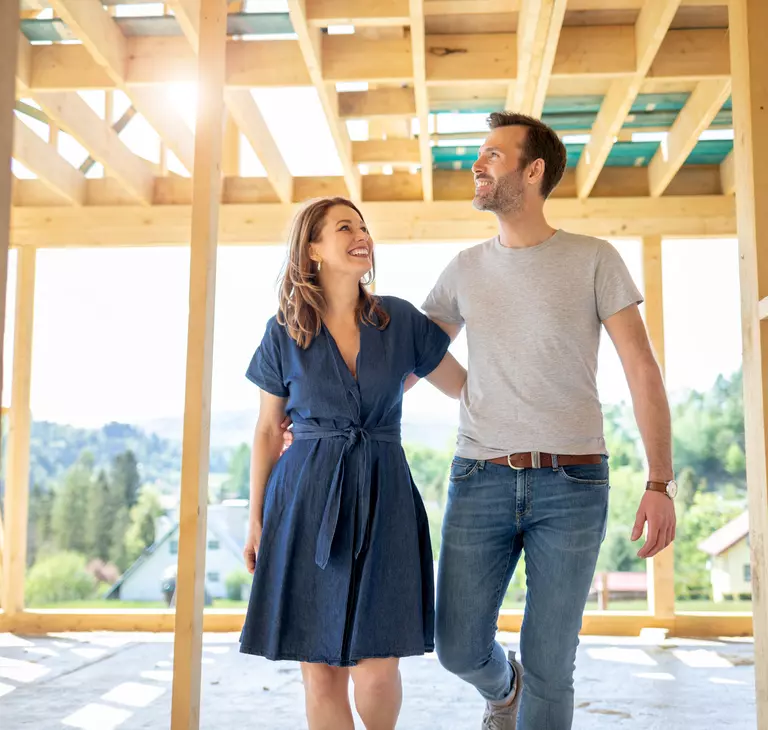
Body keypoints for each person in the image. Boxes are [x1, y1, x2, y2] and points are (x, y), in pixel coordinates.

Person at [418, 112, 677, 730]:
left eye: (493, 155)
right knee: (455, 647)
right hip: (478, 476)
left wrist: (660, 481)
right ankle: (502, 690)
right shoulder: (464, 267)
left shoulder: (594, 259)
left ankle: (527, 686)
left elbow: (642, 369)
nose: (477, 165)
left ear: (533, 172)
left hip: (575, 486)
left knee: (552, 663)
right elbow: (412, 359)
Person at [239, 196, 467, 730]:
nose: (361, 234)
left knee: (378, 665)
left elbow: (463, 387)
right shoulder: (283, 332)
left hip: (385, 494)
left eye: (363, 227)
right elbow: (269, 430)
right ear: (312, 248)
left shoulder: (400, 319)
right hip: (302, 500)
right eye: (345, 227)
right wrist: (255, 519)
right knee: (318, 671)